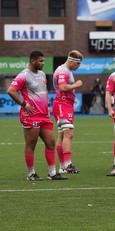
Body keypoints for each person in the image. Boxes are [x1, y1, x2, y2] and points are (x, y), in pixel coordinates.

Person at [7, 51, 67, 180]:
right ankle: (31, 173)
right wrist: (24, 104)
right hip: (31, 115)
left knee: (50, 142)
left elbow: (44, 90)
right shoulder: (24, 75)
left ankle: (52, 173)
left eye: (43, 61)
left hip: (44, 114)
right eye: (40, 61)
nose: (43, 63)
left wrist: (48, 106)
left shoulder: (42, 74)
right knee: (31, 143)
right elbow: (11, 90)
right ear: (33, 61)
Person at [52, 50, 83, 174]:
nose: (79, 66)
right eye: (78, 64)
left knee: (62, 135)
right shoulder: (63, 71)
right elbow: (62, 87)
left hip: (65, 104)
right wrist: (76, 85)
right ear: (71, 61)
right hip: (62, 103)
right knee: (68, 133)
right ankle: (68, 164)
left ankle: (62, 166)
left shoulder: (66, 70)